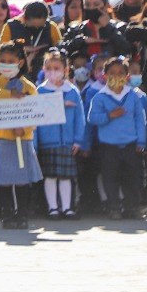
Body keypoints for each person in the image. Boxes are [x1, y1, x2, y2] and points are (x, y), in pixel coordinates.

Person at [0, 42, 42, 230]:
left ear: (20, 62)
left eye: (11, 61)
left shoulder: (28, 86)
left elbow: (35, 111)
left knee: (21, 180)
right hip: (1, 138)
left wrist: (25, 128)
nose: (6, 65)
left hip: (22, 139)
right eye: (3, 61)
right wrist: (8, 94)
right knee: (4, 180)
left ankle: (22, 214)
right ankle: (7, 215)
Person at [86, 56, 147, 219]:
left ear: (127, 76)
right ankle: (114, 207)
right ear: (105, 76)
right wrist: (109, 115)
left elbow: (140, 120)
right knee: (110, 177)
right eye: (112, 73)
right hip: (108, 145)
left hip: (130, 144)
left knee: (131, 178)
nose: (116, 76)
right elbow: (92, 118)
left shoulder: (133, 96)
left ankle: (132, 208)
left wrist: (141, 141)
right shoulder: (100, 97)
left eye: (120, 73)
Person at [36, 48, 86, 218]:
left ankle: (67, 207)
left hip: (67, 142)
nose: (52, 72)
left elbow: (80, 118)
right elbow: (35, 119)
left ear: (65, 70)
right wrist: (35, 143)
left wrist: (78, 140)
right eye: (49, 68)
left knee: (65, 177)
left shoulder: (72, 91)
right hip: (47, 141)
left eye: (56, 68)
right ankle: (53, 208)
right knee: (50, 176)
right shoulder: (40, 91)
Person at [0, 1, 62, 81]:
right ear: (24, 19)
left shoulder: (51, 27)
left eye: (40, 27)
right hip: (15, 73)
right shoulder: (10, 27)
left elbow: (60, 53)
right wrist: (21, 48)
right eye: (32, 27)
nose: (36, 30)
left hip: (44, 73)